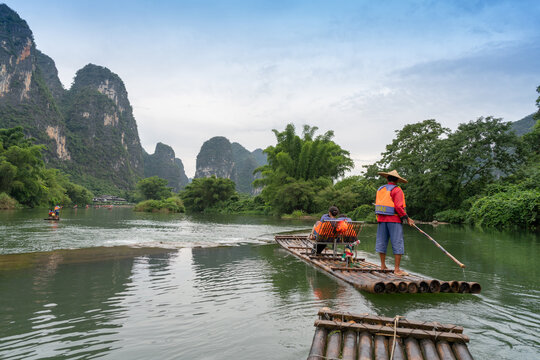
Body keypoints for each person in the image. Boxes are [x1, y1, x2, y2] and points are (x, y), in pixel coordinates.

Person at [375, 170, 415, 276]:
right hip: (394, 220)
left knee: (381, 242)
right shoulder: (397, 190)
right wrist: (407, 218)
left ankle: (382, 265)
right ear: (397, 180)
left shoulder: (380, 189)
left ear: (387, 178)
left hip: (381, 219)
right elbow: (398, 206)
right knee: (397, 243)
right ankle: (397, 270)